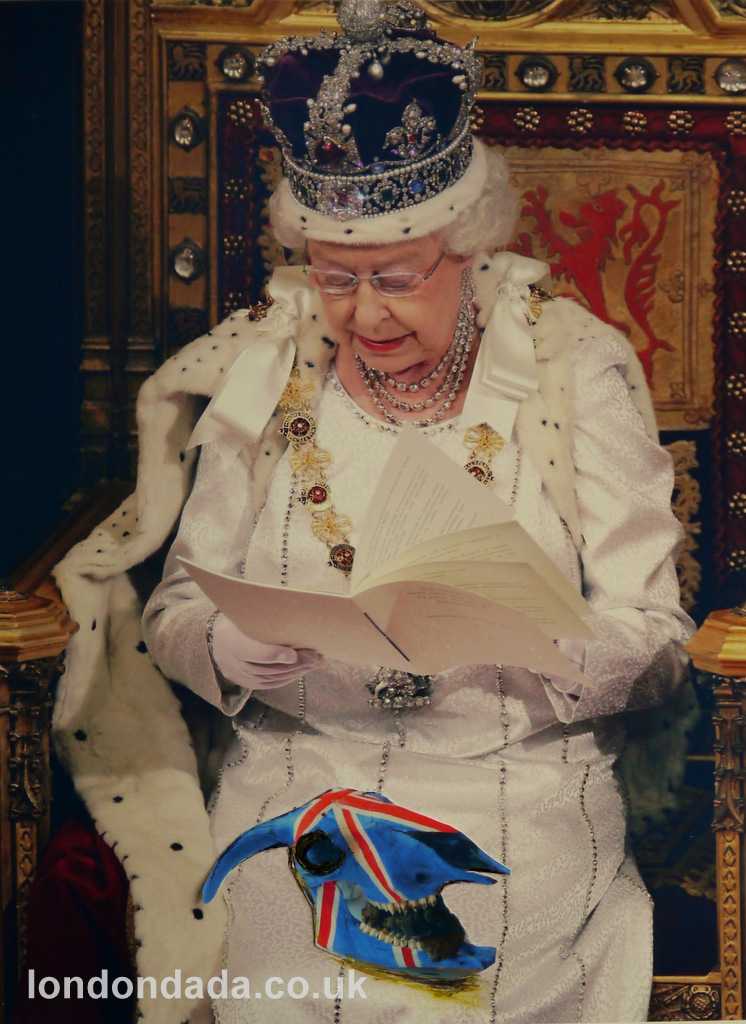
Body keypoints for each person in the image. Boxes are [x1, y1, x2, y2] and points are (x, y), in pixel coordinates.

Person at [50, 2, 694, 1022]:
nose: (363, 312)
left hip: (516, 789)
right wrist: (223, 648)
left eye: (394, 278)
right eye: (333, 278)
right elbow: (175, 609)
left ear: (467, 249)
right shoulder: (267, 368)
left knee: (457, 978)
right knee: (294, 973)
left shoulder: (573, 369)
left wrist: (554, 649)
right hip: (299, 786)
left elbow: (656, 635)